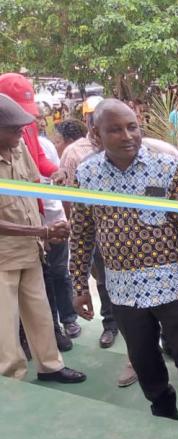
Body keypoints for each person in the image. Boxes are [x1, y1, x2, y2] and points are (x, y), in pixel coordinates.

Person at [69, 99, 178, 425]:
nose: (127, 135)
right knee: (144, 359)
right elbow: (81, 234)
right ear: (96, 133)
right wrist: (79, 285)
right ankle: (162, 412)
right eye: (115, 129)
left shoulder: (167, 167)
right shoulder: (87, 175)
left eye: (132, 126)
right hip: (122, 290)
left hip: (173, 286)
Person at [0, 93, 86, 384]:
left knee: (40, 314)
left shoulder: (19, 145)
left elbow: (34, 181)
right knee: (5, 327)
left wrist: (56, 181)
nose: (20, 133)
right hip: (3, 258)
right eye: (13, 129)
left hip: (30, 250)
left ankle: (50, 366)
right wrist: (44, 231)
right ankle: (13, 380)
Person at [36, 121, 81, 352]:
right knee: (38, 283)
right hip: (28, 225)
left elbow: (56, 178)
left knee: (59, 272)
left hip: (52, 217)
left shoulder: (42, 145)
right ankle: (51, 329)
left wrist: (63, 218)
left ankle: (68, 319)